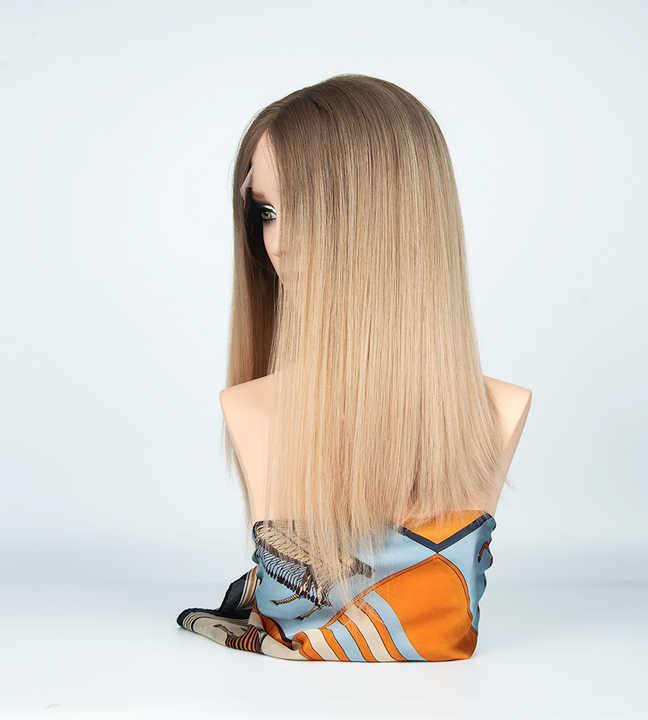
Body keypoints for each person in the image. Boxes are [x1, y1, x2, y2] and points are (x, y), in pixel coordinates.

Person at [176, 74, 532, 661]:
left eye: (307, 209)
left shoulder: (500, 410)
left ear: (390, 220)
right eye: (267, 211)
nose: (276, 243)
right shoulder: (251, 408)